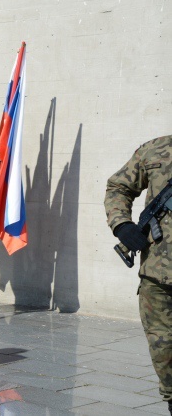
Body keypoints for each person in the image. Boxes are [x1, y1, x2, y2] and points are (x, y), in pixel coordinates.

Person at [104, 135, 172, 414]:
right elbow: (118, 186)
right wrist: (121, 224)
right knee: (162, 344)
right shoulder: (155, 149)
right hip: (157, 274)